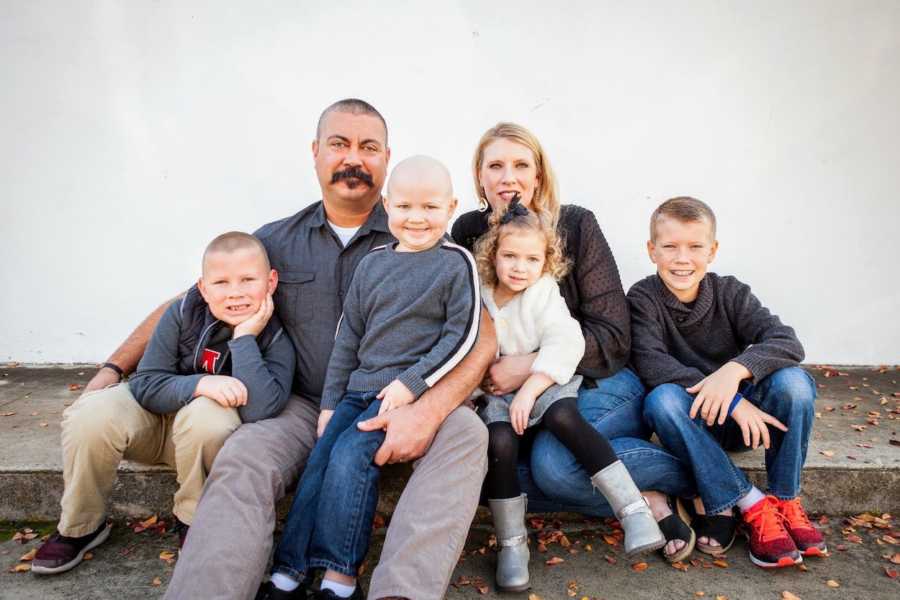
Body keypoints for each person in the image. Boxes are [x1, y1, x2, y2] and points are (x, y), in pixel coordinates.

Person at [81, 99, 496, 600]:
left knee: (468, 434)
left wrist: (427, 408)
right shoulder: (276, 240)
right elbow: (195, 297)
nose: (353, 158)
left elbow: (480, 335)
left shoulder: (424, 234)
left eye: (368, 148)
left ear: (387, 159)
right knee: (244, 458)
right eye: (339, 144)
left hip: (402, 397)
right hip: (302, 406)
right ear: (316, 153)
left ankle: (400, 591)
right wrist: (114, 364)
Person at [451, 122, 696, 563]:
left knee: (554, 468)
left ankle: (681, 484)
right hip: (506, 394)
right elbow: (465, 319)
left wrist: (526, 366)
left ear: (539, 175)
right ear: (480, 178)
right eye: (496, 166)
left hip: (595, 378)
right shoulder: (466, 232)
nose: (509, 177)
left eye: (521, 165)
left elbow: (614, 338)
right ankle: (637, 490)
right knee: (495, 461)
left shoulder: (577, 225)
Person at [260, 156, 480, 600]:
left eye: (430, 207)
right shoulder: (373, 262)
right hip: (356, 391)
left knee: (348, 459)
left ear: (452, 206)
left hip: (400, 397)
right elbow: (348, 339)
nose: (417, 218)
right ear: (387, 205)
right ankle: (289, 570)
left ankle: (339, 578)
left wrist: (412, 385)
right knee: (320, 462)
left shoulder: (456, 263)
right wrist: (328, 404)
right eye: (405, 206)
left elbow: (463, 336)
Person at [31, 232, 294, 575]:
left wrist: (244, 338)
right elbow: (146, 383)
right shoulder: (182, 313)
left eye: (248, 280)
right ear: (202, 287)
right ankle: (81, 526)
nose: (235, 293)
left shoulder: (274, 333)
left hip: (203, 439)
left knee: (207, 415)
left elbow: (262, 408)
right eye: (221, 282)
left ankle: (193, 522)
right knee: (91, 413)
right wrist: (201, 382)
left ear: (270, 281)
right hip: (154, 425)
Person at [474, 197, 663, 591]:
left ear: (546, 262)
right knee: (500, 443)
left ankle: (633, 510)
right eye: (509, 256)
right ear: (493, 255)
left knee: (563, 417)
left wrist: (530, 391)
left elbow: (567, 341)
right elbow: (470, 343)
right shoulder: (482, 292)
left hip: (547, 379)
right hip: (495, 393)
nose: (519, 267)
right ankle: (513, 545)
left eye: (531, 259)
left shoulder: (543, 292)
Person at [632, 196, 825, 568]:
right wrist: (733, 401)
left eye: (695, 247)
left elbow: (786, 341)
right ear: (652, 251)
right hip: (693, 424)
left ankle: (785, 500)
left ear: (713, 251)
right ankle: (751, 503)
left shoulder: (731, 292)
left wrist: (733, 374)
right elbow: (650, 362)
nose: (682, 259)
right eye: (670, 247)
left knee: (795, 383)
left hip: (748, 426)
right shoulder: (643, 298)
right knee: (661, 400)